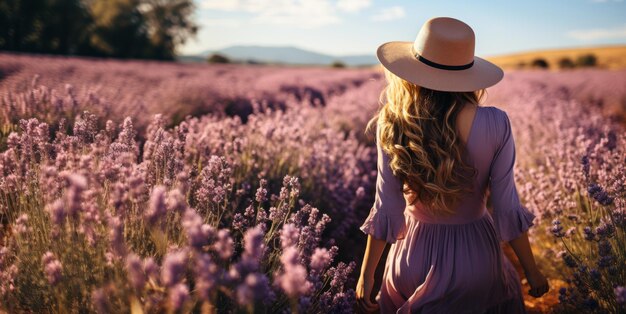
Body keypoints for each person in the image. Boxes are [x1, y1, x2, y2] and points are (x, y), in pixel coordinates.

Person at [355, 17, 549, 313]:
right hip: (478, 258)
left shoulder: (392, 123)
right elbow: (507, 205)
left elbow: (386, 208)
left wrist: (368, 274)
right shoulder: (496, 122)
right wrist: (531, 270)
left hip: (412, 256)